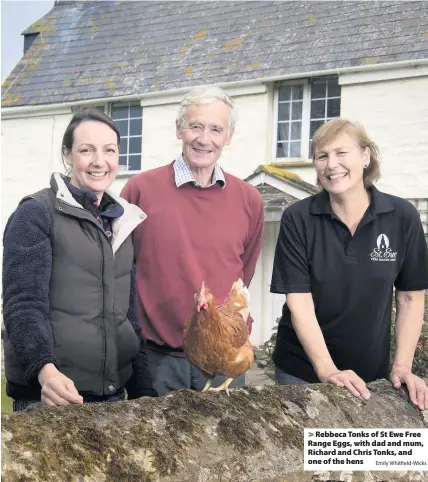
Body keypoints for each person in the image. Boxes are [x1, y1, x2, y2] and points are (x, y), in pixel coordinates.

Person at [3, 108, 157, 411]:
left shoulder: (124, 220)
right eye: (86, 150)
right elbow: (22, 306)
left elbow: (129, 318)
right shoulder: (35, 213)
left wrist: (143, 389)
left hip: (114, 397)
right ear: (67, 155)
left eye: (109, 150)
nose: (100, 161)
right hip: (51, 398)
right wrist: (44, 371)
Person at [270, 118, 428, 410]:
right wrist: (327, 370)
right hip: (301, 372)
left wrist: (402, 366)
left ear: (366, 156)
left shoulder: (402, 217)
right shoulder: (298, 219)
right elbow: (300, 302)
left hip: (372, 374)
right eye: (322, 156)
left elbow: (409, 297)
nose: (332, 164)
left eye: (342, 153)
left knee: (361, 456)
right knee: (308, 455)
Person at [121, 85, 264, 396]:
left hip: (224, 362)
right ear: (178, 129)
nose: (204, 138)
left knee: (225, 445)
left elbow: (245, 274)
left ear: (229, 135)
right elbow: (120, 270)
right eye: (195, 126)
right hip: (155, 359)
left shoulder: (249, 200)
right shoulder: (139, 191)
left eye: (216, 129)